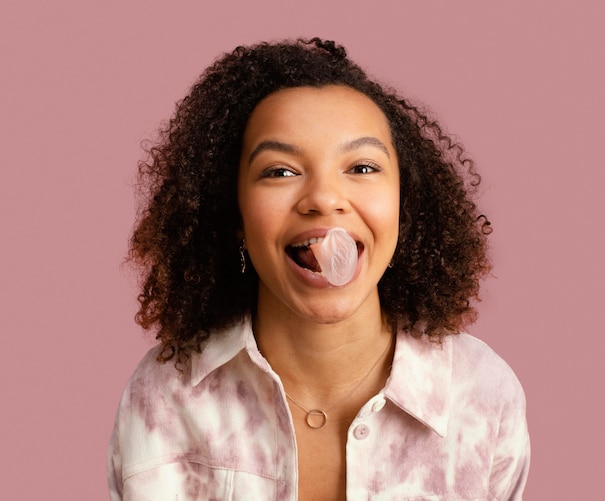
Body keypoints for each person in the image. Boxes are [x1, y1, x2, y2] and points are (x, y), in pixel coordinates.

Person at [108, 38, 530, 500]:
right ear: (234, 215)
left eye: (363, 167)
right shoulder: (165, 397)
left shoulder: (480, 394)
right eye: (281, 171)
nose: (325, 198)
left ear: (404, 206)